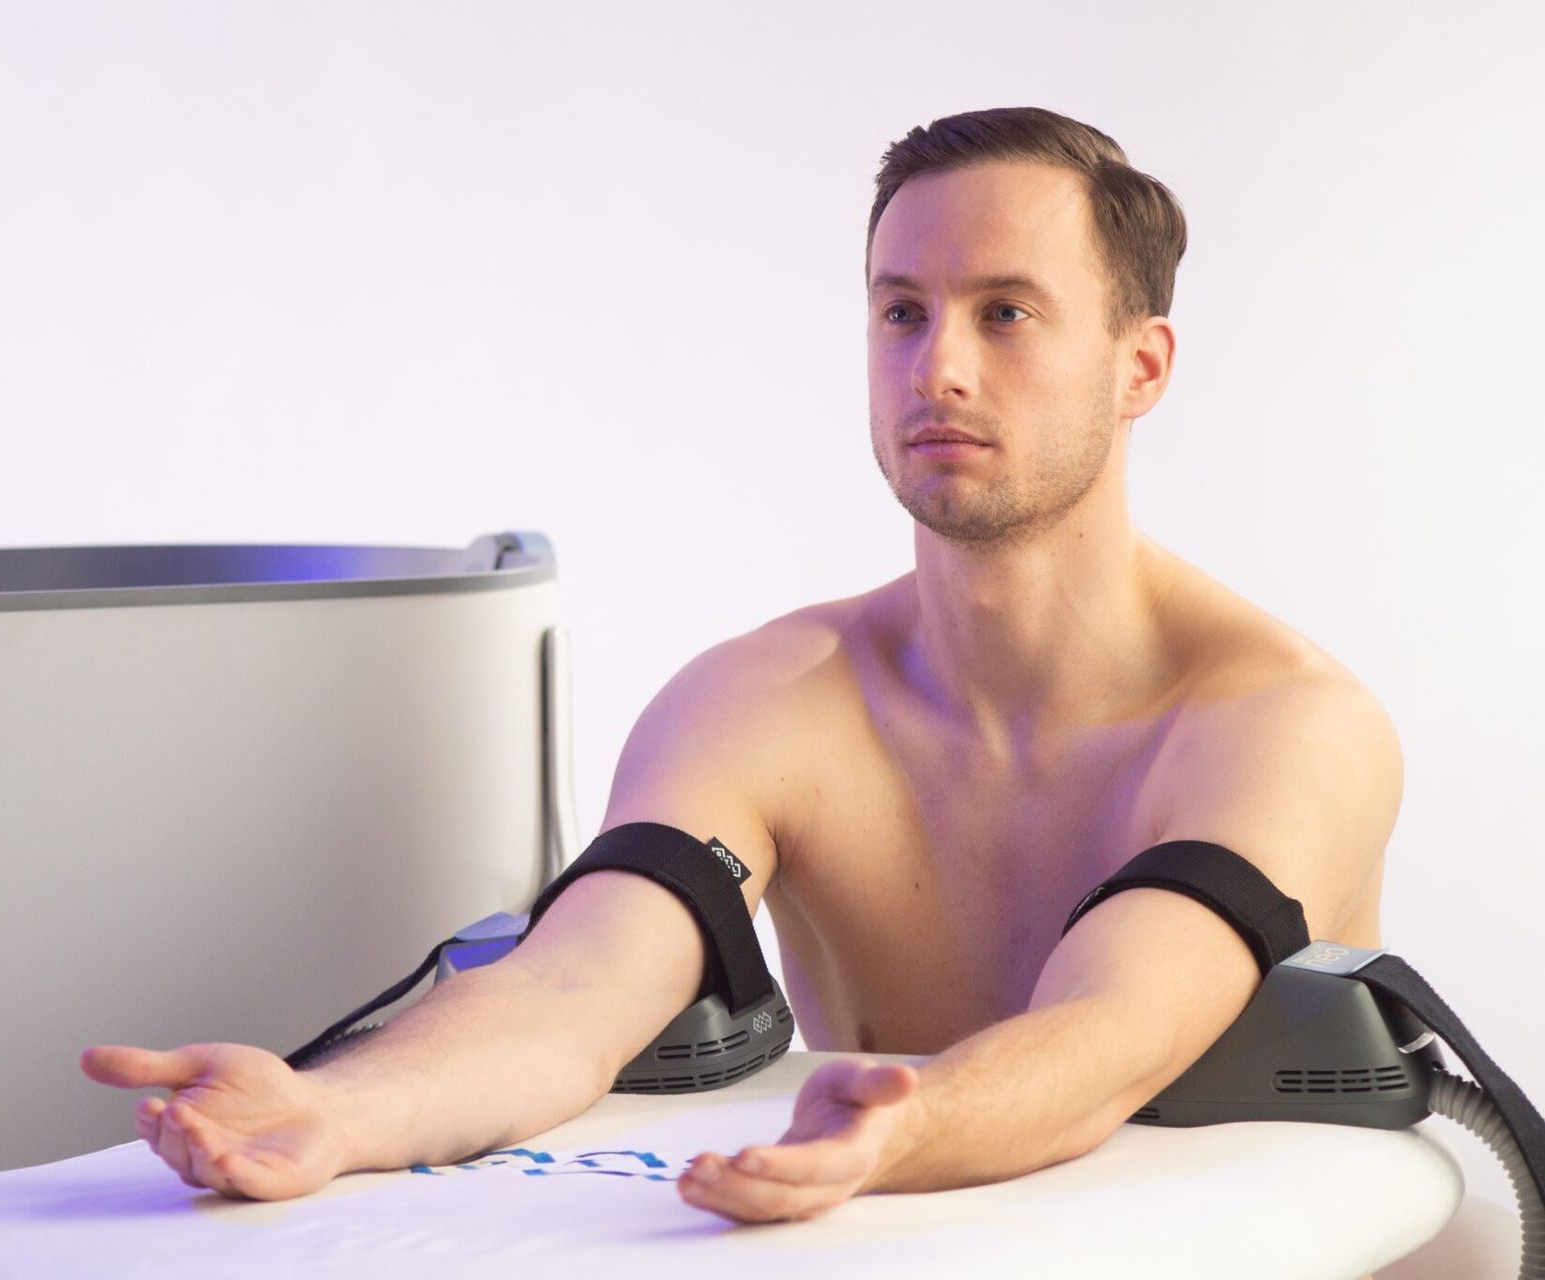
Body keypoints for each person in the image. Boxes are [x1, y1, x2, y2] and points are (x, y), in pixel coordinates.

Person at [80, 105, 1401, 1226]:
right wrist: (339, 1108)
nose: (938, 368)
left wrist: (906, 1125)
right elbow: (576, 988)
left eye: (1006, 313)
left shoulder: (1284, 724)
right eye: (901, 312)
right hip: (896, 1239)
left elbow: (1113, 1035)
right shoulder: (766, 703)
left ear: (1140, 367)